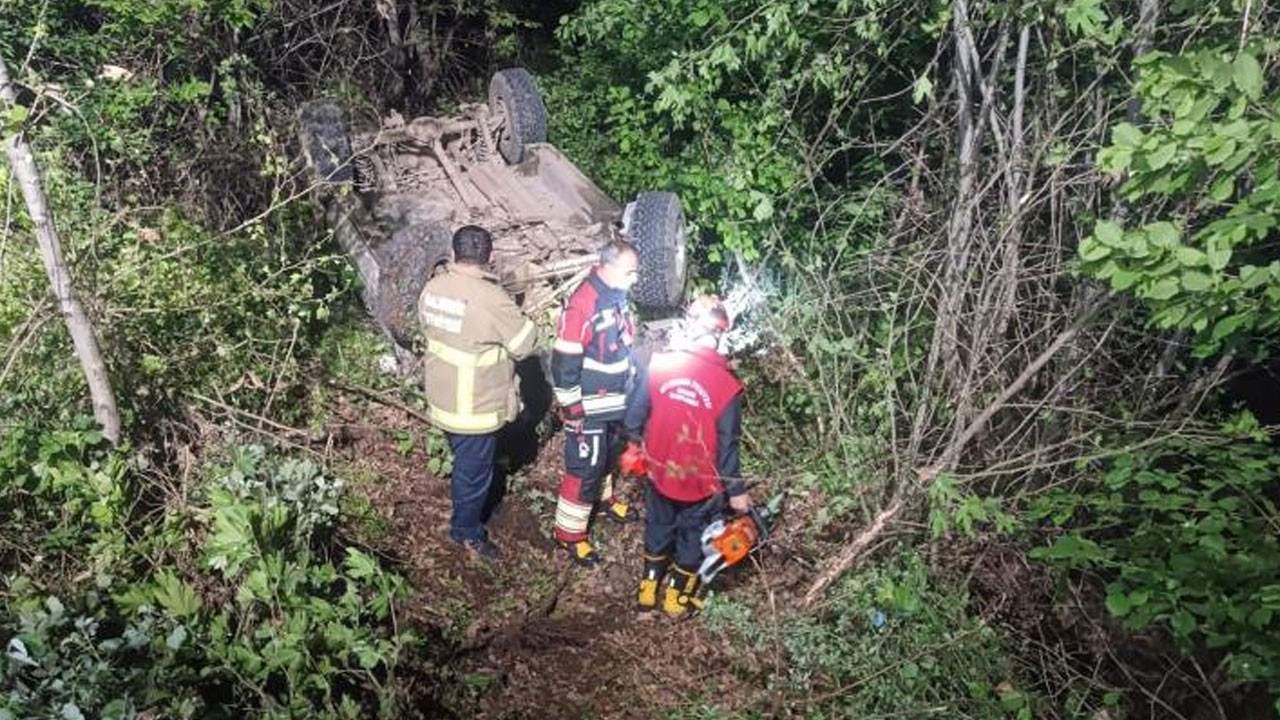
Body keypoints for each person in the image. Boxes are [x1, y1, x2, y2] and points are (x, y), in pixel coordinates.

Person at [623, 295, 752, 617]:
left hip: (658, 471)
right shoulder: (727, 387)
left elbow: (633, 418)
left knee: (657, 526)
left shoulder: (661, 364)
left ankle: (647, 592)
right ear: (721, 335)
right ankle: (676, 599)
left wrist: (638, 445)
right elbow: (728, 447)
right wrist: (736, 492)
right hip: (701, 483)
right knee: (693, 537)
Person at [419, 225, 537, 559]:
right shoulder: (493, 300)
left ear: (454, 253)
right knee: (474, 473)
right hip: (473, 408)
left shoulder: (433, 287)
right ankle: (466, 531)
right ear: (490, 257)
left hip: (441, 397)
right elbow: (526, 345)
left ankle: (470, 507)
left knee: (466, 463)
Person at [551, 239, 643, 566]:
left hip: (615, 402)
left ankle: (603, 502)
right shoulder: (583, 301)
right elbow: (564, 362)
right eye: (631, 272)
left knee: (606, 458)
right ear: (610, 266)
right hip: (588, 406)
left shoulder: (618, 297)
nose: (635, 279)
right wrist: (571, 409)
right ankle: (570, 534)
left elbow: (624, 343)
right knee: (584, 468)